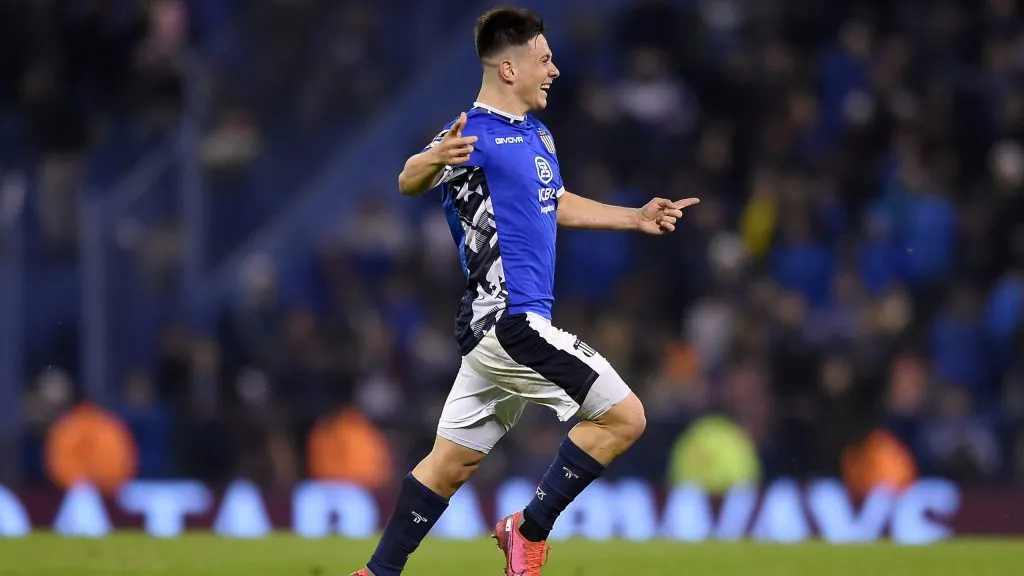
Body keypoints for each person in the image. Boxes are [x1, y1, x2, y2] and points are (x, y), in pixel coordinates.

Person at [351, 7, 698, 576]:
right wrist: (433, 158)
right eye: (544, 59)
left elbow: (554, 202)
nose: (555, 70)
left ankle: (376, 572)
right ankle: (527, 530)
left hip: (501, 328)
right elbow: (409, 178)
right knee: (627, 418)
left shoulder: (537, 135)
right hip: (508, 321)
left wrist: (634, 218)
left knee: (449, 464)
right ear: (508, 68)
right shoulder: (472, 134)